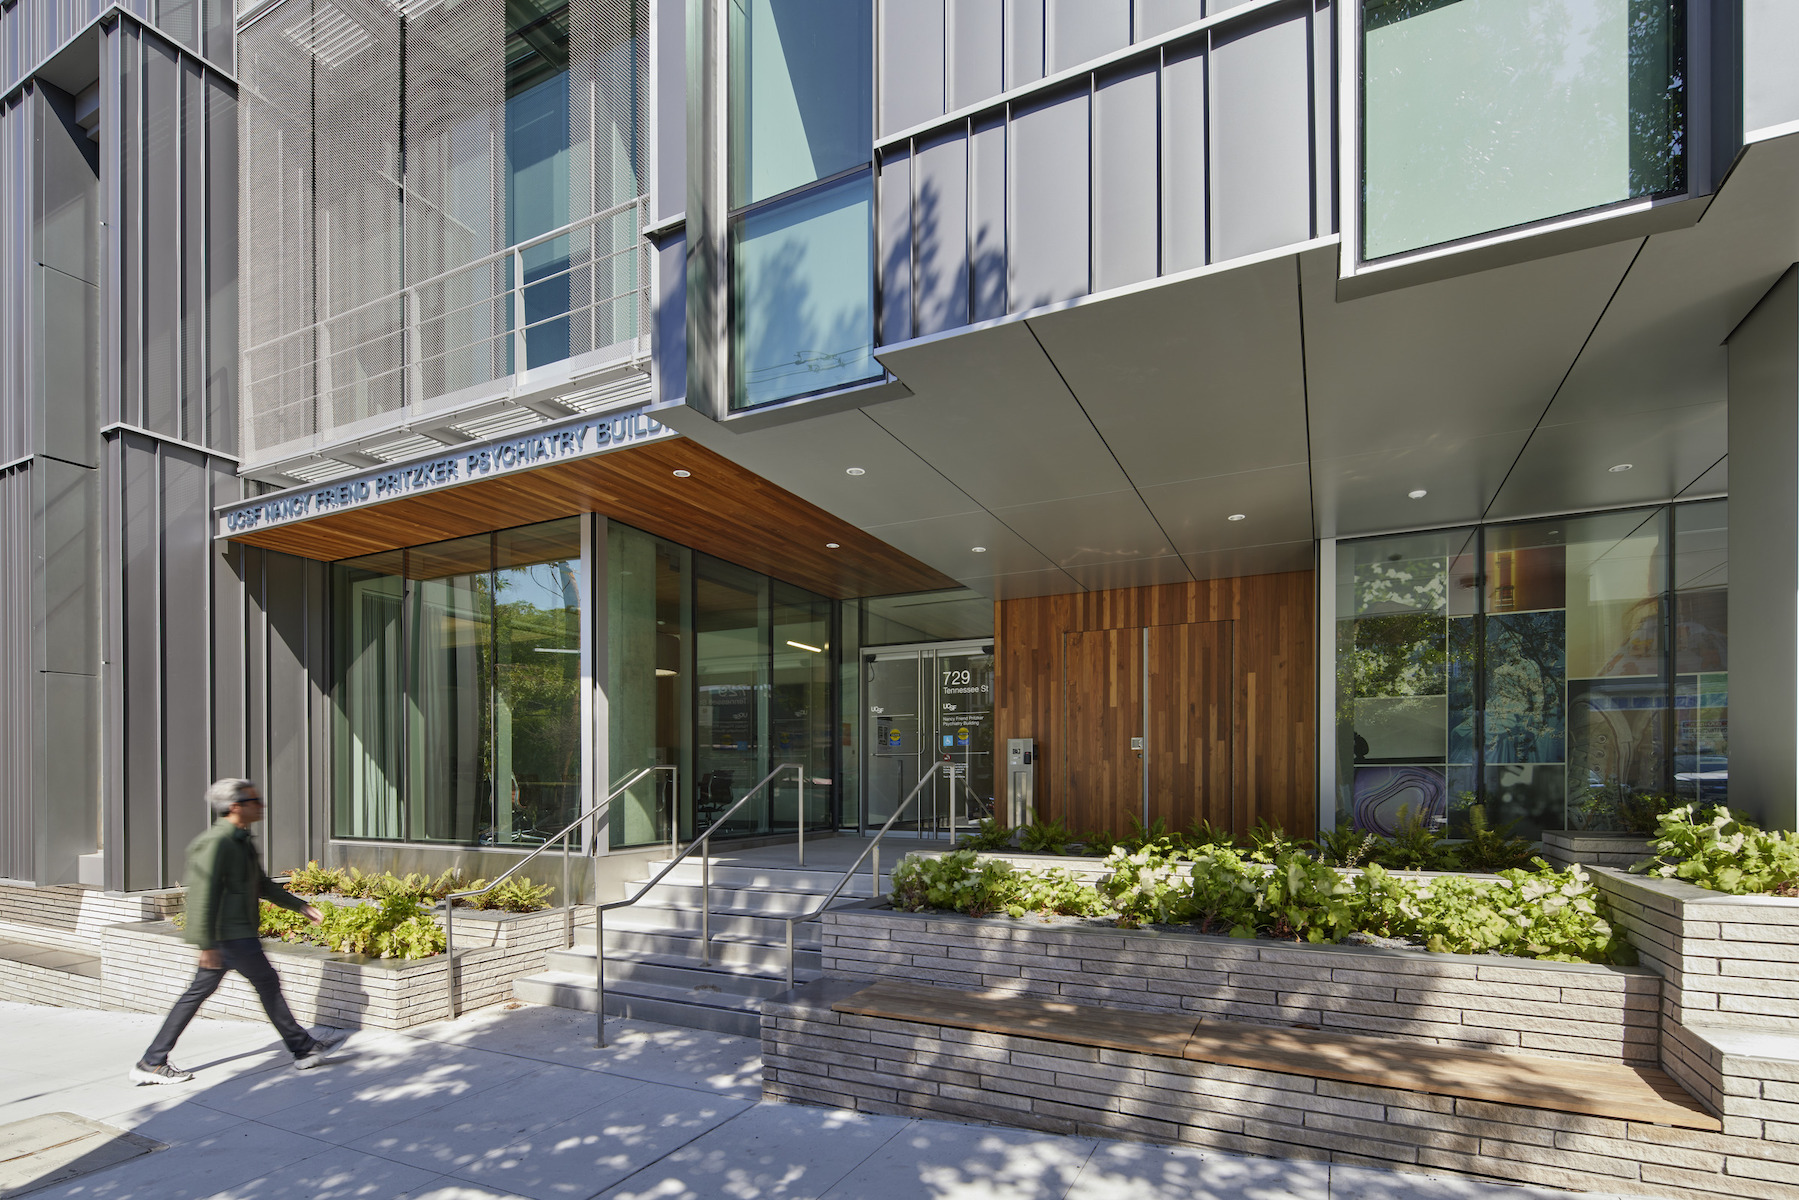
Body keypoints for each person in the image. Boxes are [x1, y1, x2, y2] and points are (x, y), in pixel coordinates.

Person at [130, 779, 348, 1084]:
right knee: (265, 984)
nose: (261, 806)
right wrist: (206, 943)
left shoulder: (240, 840)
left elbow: (261, 885)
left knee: (203, 993)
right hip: (229, 937)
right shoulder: (217, 843)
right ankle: (303, 1049)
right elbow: (203, 893)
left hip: (235, 935)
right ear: (236, 807)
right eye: (254, 800)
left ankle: (152, 1061)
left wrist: (301, 906)